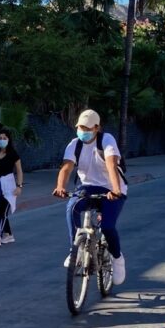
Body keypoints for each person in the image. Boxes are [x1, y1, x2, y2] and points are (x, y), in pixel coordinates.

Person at [52, 109, 129, 286]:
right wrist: (60, 187)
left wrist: (116, 190)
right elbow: (66, 167)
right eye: (80, 127)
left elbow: (111, 165)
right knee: (72, 207)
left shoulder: (106, 140)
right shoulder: (74, 144)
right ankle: (76, 249)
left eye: (87, 128)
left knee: (108, 226)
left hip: (112, 188)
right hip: (88, 186)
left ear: (96, 128)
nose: (83, 131)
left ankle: (117, 259)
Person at [0, 131, 23, 247]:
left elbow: (19, 170)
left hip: (9, 186)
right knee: (0, 210)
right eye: (0, 137)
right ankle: (8, 234)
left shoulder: (13, 154)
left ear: (8, 140)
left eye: (4, 138)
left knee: (4, 210)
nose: (2, 140)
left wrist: (19, 186)